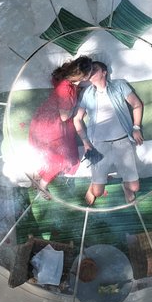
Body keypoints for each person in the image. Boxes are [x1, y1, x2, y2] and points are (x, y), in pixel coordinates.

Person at [73, 61, 144, 205]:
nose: (91, 73)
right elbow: (77, 119)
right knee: (97, 192)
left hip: (122, 141)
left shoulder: (119, 85)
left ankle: (126, 187)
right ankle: (94, 185)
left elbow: (137, 105)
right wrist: (86, 142)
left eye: (95, 70)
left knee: (135, 187)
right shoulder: (87, 93)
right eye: (89, 71)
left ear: (104, 72)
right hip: (98, 144)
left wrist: (136, 128)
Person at [27, 56, 93, 199]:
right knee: (61, 160)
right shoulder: (66, 89)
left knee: (58, 156)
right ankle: (41, 186)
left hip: (47, 117)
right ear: (85, 75)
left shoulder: (65, 80)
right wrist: (76, 106)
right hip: (51, 124)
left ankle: (39, 176)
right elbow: (64, 116)